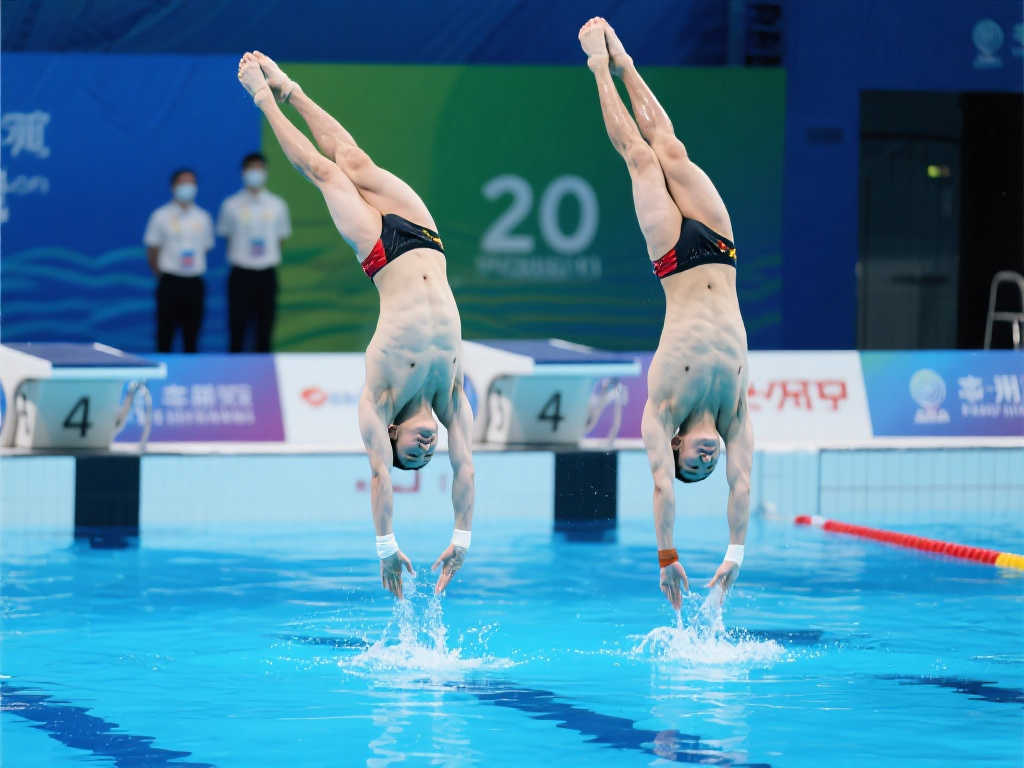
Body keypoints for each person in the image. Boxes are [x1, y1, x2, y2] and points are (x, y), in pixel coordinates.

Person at [236, 51, 475, 599]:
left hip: (382, 255)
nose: (426, 447)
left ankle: (266, 96)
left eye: (413, 452)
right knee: (356, 160)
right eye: (427, 453)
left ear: (393, 437)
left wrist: (386, 547)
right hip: (428, 240)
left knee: (326, 172)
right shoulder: (450, 397)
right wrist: (461, 538)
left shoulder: (379, 402)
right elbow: (465, 470)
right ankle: (289, 88)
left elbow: (380, 476)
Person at [579, 18, 754, 610]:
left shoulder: (661, 412)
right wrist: (733, 555)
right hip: (722, 249)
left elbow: (660, 486)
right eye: (707, 468)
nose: (706, 462)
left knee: (643, 157)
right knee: (672, 151)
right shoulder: (734, 415)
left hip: (673, 258)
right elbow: (742, 483)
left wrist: (667, 555)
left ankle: (604, 65)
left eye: (693, 466)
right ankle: (621, 62)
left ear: (676, 446)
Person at [217, 153, 292, 353]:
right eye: (251, 168)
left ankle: (262, 369)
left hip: (266, 274)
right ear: (243, 172)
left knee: (265, 328)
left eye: (259, 168)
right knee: (237, 327)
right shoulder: (230, 205)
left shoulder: (278, 205)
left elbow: (280, 239)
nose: (255, 173)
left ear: (266, 172)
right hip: (240, 273)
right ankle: (234, 369)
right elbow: (227, 236)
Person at [144, 169, 214, 353]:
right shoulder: (160, 216)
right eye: (183, 183)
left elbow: (206, 247)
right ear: (173, 186)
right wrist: (161, 274)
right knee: (165, 335)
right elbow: (152, 249)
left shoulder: (203, 217)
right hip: (170, 282)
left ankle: (192, 371)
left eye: (191, 183)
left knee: (192, 336)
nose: (187, 187)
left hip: (194, 283)